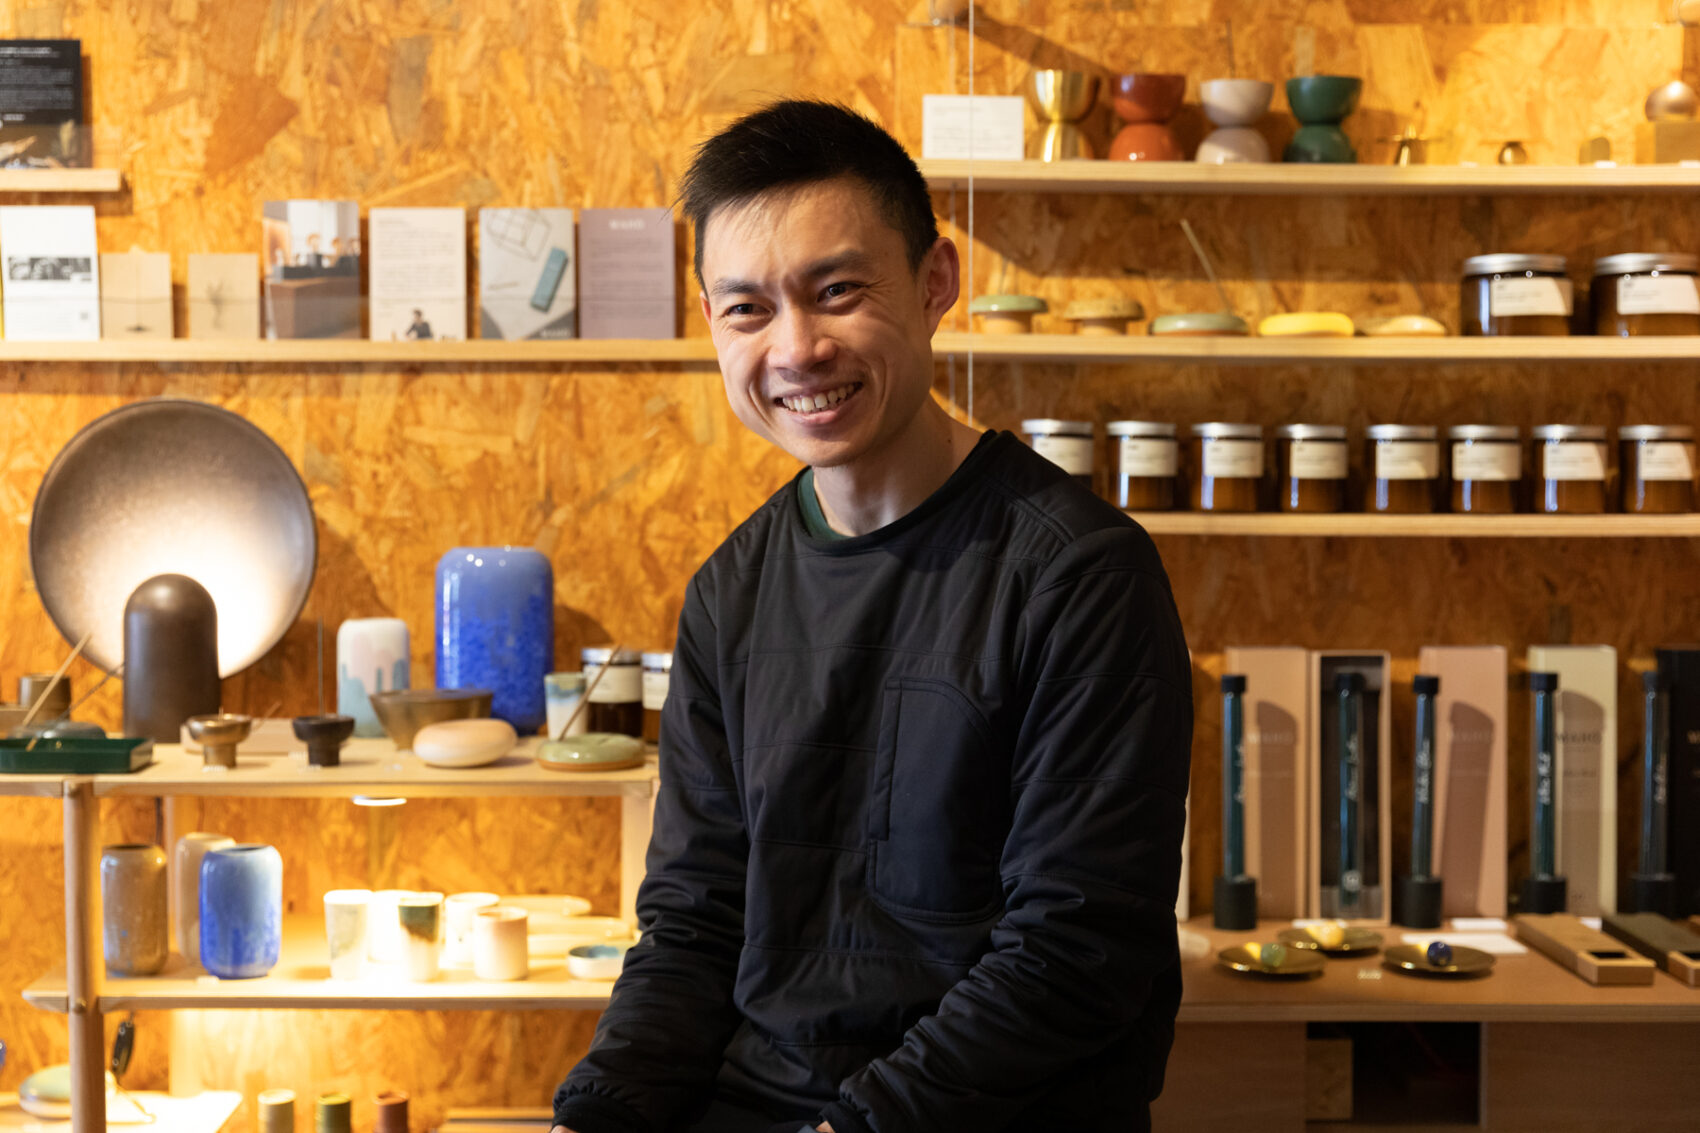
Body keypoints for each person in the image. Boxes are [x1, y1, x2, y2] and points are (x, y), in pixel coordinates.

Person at [552, 99, 1191, 1133]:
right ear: (710, 320)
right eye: (747, 308)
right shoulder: (729, 591)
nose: (797, 348)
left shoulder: (1077, 574)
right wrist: (599, 1112)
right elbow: (693, 922)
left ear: (934, 281)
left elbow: (1073, 952)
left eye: (837, 291)